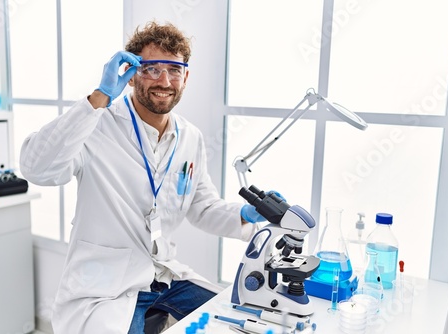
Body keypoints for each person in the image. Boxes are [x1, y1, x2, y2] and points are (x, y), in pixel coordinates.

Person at [20, 21, 278, 334]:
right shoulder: (96, 125)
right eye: (152, 68)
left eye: (174, 69)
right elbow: (37, 168)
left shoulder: (190, 138)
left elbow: (202, 207)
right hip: (105, 287)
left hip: (164, 275)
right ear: (130, 75)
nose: (164, 81)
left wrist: (244, 213)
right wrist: (99, 97)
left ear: (186, 76)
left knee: (232, 321)